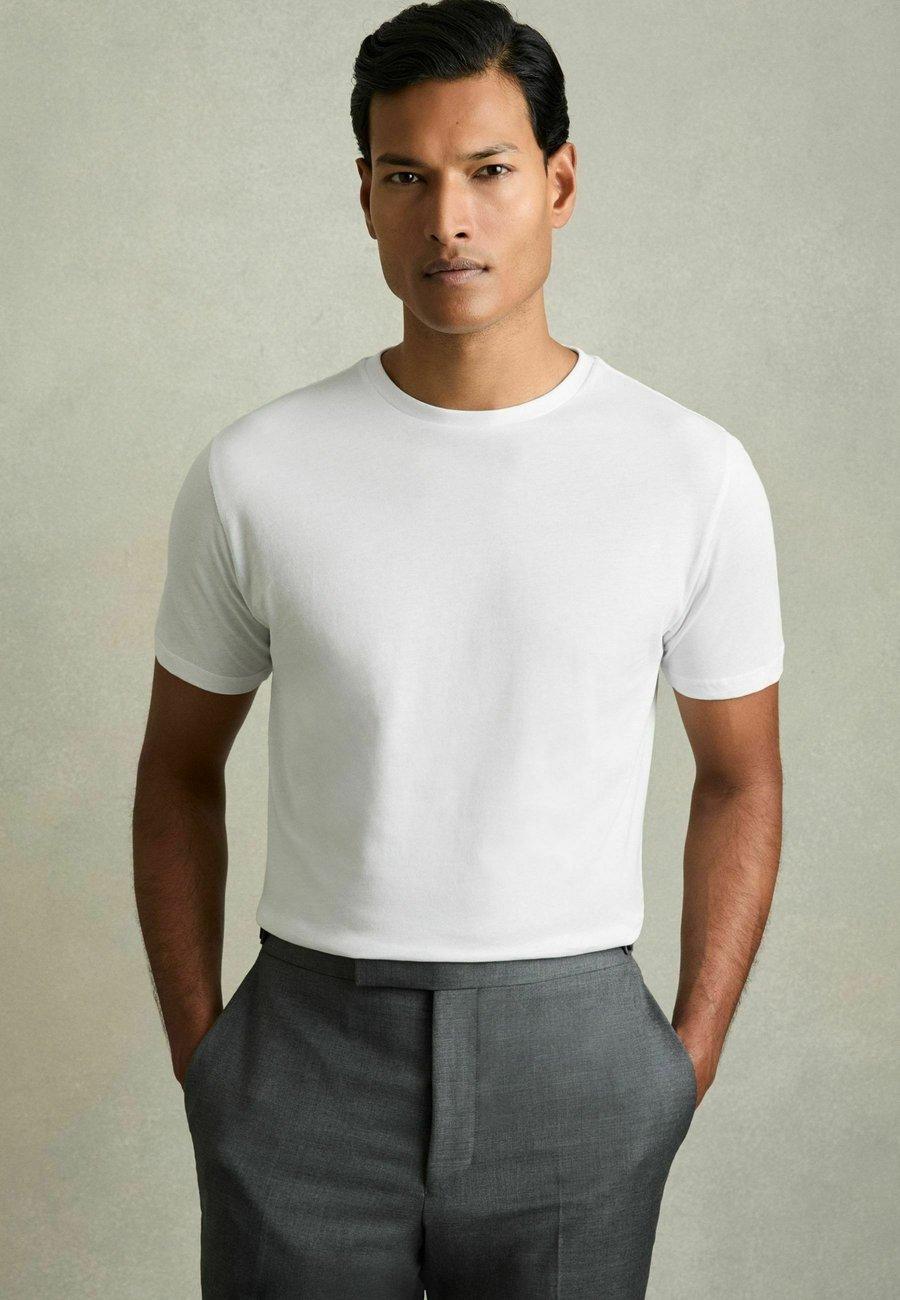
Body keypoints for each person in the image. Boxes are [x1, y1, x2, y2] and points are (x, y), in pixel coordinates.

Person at [133, 1, 785, 1294]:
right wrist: (208, 1058)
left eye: (488, 171)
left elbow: (742, 776)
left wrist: (683, 1061)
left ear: (559, 181)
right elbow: (176, 771)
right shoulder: (259, 470)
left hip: (577, 1054)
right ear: (366, 199)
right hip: (304, 1057)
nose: (448, 220)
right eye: (406, 178)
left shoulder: (689, 472)